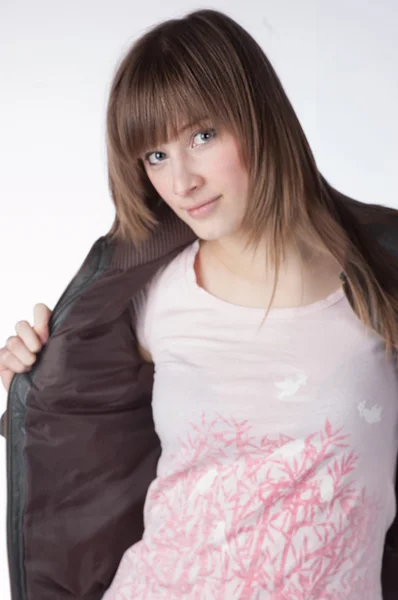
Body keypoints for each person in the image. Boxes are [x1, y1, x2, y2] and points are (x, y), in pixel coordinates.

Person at [1, 8, 398, 600]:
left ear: (259, 116)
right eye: (155, 156)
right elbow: (81, 449)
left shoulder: (378, 279)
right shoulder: (150, 298)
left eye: (202, 136)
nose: (181, 180)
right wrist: (27, 391)